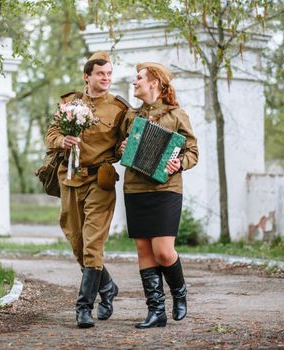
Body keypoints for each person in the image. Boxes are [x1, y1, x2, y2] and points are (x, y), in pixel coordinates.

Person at [44, 51, 130, 328]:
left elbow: (122, 145)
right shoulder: (70, 103)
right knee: (77, 243)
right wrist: (62, 141)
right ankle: (107, 288)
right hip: (69, 178)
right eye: (101, 74)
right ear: (87, 76)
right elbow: (51, 135)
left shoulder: (119, 108)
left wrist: (122, 149)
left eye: (109, 74)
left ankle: (83, 308)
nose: (106, 79)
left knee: (93, 244)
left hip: (99, 181)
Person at [119, 62, 198, 328]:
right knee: (144, 250)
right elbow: (121, 150)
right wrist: (122, 148)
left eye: (139, 78)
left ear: (154, 82)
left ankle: (179, 293)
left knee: (163, 252)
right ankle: (156, 311)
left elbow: (193, 151)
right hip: (136, 189)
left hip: (166, 189)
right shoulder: (131, 116)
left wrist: (180, 163)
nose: (135, 82)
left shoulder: (176, 114)